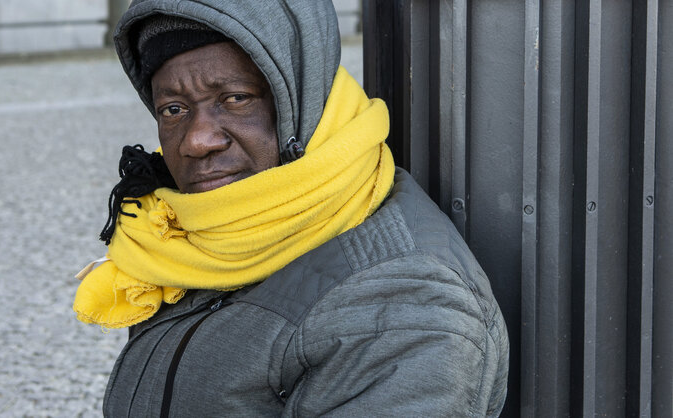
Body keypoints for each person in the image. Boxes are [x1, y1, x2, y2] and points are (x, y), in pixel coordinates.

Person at [73, 0, 509, 416]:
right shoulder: (182, 233)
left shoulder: (405, 308)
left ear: (303, 100)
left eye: (236, 98)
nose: (196, 140)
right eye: (174, 109)